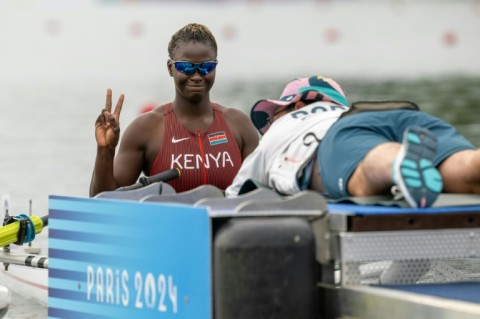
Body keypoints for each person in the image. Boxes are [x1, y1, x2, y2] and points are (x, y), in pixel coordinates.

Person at [226, 75, 480, 208]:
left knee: (364, 177)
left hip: (336, 137)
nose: (272, 121)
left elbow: (232, 198)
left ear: (298, 104)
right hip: (393, 113)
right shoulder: (337, 111)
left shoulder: (283, 127)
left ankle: (399, 161)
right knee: (465, 168)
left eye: (276, 112)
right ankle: (412, 162)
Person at [90, 23, 259, 197]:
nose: (196, 76)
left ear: (215, 67)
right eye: (185, 67)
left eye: (206, 67)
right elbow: (103, 202)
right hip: (169, 224)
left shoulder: (239, 125)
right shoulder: (145, 129)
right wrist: (105, 151)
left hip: (229, 222)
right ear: (170, 68)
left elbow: (263, 194)